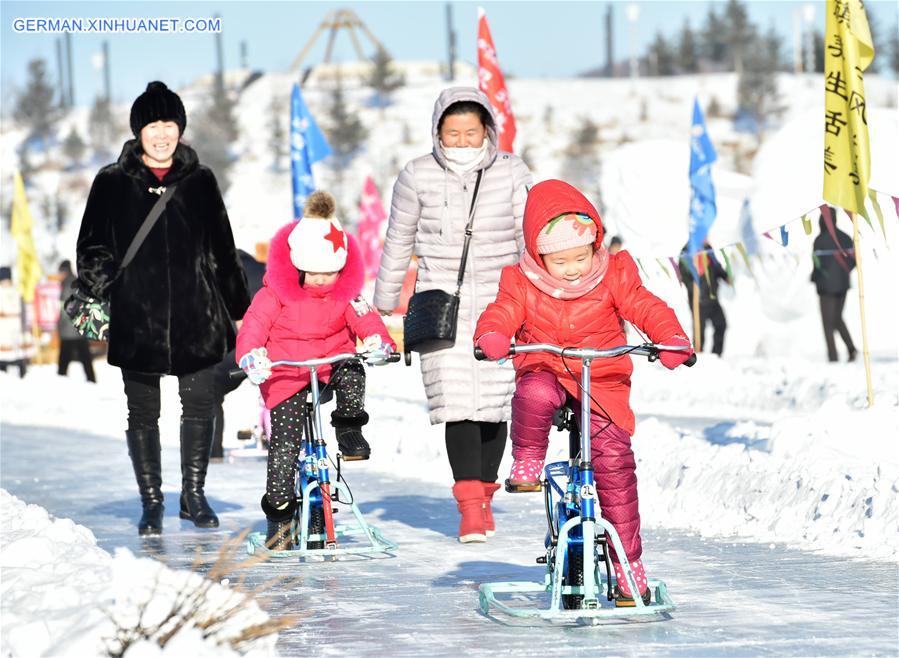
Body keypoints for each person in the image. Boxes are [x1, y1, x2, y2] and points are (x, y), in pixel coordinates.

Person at [474, 179, 693, 606]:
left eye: (581, 256)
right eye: (561, 261)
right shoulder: (520, 281)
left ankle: (629, 566)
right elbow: (501, 312)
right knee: (533, 396)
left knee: (613, 463)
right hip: (547, 366)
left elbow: (644, 304)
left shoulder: (615, 273)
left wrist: (670, 338)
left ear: (595, 246)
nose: (574, 268)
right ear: (540, 257)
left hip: (601, 379)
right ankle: (528, 459)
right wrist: (494, 334)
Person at [75, 81, 250, 536]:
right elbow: (92, 244)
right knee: (142, 411)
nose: (161, 133)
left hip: (197, 314)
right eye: (153, 124)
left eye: (169, 124)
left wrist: (239, 309)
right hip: (138, 316)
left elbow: (222, 250)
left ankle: (193, 495)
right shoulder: (111, 182)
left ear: (180, 128)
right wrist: (101, 279)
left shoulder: (200, 181)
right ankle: (151, 502)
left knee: (199, 404)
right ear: (138, 131)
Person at [373, 87, 532, 543]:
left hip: (504, 303)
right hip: (442, 303)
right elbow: (398, 239)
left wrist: (537, 296)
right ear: (438, 131)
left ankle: (484, 493)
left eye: (471, 132)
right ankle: (469, 507)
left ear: (487, 131)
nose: (462, 141)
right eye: (452, 132)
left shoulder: (512, 172)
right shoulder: (417, 174)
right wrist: (385, 301)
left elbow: (527, 236)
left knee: (497, 404)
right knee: (456, 402)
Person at [236, 191, 395, 548]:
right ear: (297, 267)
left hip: (329, 366)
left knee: (353, 367)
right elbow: (252, 328)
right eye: (314, 273)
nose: (323, 280)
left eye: (330, 273)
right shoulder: (274, 294)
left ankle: (350, 427)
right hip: (286, 373)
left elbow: (367, 320)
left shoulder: (346, 293)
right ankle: (278, 518)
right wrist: (251, 356)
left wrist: (379, 343)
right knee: (284, 446)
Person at [210, 249, 266, 460]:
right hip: (279, 349)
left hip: (247, 350)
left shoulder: (225, 272)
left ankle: (211, 451)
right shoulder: (260, 268)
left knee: (210, 387)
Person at [811, 209, 857, 362]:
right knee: (837, 318)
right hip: (843, 286)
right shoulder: (845, 238)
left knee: (828, 323)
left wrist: (817, 278)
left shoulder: (819, 241)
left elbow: (817, 266)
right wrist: (842, 274)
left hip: (826, 289)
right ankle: (851, 349)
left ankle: (833, 357)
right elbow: (852, 262)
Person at [678, 240, 730, 356]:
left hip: (713, 298)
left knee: (721, 324)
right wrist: (694, 287)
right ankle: (698, 358)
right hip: (698, 301)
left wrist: (725, 276)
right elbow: (683, 274)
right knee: (699, 333)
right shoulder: (686, 251)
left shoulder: (707, 248)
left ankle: (716, 356)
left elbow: (716, 266)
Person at [56, 260, 96, 383]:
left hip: (69, 327)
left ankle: (61, 378)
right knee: (84, 356)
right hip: (79, 325)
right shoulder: (76, 282)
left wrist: (60, 324)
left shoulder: (67, 284)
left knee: (65, 357)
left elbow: (66, 307)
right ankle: (91, 379)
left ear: (65, 271)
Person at [0, 266, 29, 378]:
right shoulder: (15, 290)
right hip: (8, 326)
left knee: (14, 352)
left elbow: (23, 309)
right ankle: (7, 373)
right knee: (7, 353)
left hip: (11, 326)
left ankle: (19, 373)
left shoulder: (16, 291)